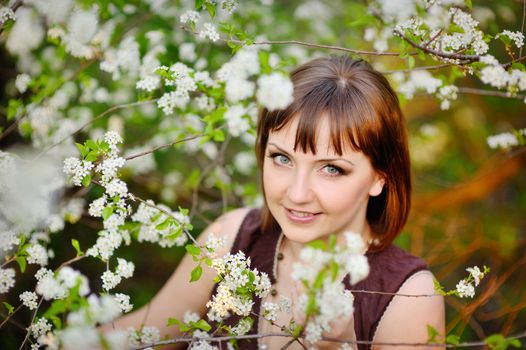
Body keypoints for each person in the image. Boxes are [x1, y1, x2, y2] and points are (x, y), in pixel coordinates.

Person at [105, 56, 445, 350]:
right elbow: (135, 337)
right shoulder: (231, 238)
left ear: (378, 178)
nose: (297, 194)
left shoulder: (408, 297)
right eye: (282, 159)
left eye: (331, 169)